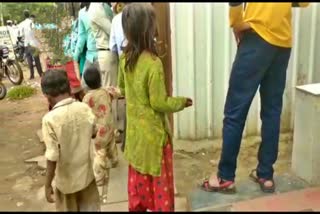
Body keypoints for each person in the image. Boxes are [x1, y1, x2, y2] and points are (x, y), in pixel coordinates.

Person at [200, 2, 310, 194]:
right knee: (272, 111)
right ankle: (265, 175)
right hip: (282, 43)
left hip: (257, 36)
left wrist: (236, 22)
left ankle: (225, 177)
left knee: (235, 111)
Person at [118, 3, 192, 211]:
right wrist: (181, 102)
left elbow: (122, 88)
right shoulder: (152, 63)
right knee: (160, 191)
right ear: (148, 29)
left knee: (138, 186)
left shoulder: (125, 59)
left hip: (135, 140)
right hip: (154, 140)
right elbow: (158, 103)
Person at [41, 69, 100, 211]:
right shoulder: (84, 109)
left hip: (66, 185)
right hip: (87, 179)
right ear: (69, 88)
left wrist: (48, 184)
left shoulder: (49, 119)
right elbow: (94, 133)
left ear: (47, 96)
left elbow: (52, 157)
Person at [82, 65, 118, 204]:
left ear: (86, 82)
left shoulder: (87, 98)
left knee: (99, 153)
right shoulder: (106, 91)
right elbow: (119, 91)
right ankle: (114, 161)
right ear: (100, 79)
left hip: (98, 131)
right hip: (109, 126)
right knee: (111, 144)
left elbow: (85, 114)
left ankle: (99, 178)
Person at [73, 2, 98, 90]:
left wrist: (76, 55)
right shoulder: (82, 13)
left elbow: (82, 35)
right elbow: (82, 35)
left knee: (86, 87)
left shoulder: (101, 8)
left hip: (97, 54)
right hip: (93, 55)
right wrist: (76, 55)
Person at [19, 10, 43, 79]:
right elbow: (36, 32)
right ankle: (40, 73)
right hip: (33, 43)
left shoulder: (22, 24)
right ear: (29, 15)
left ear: (24, 15)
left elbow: (20, 34)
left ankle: (32, 75)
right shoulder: (32, 22)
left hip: (26, 44)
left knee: (29, 60)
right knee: (36, 59)